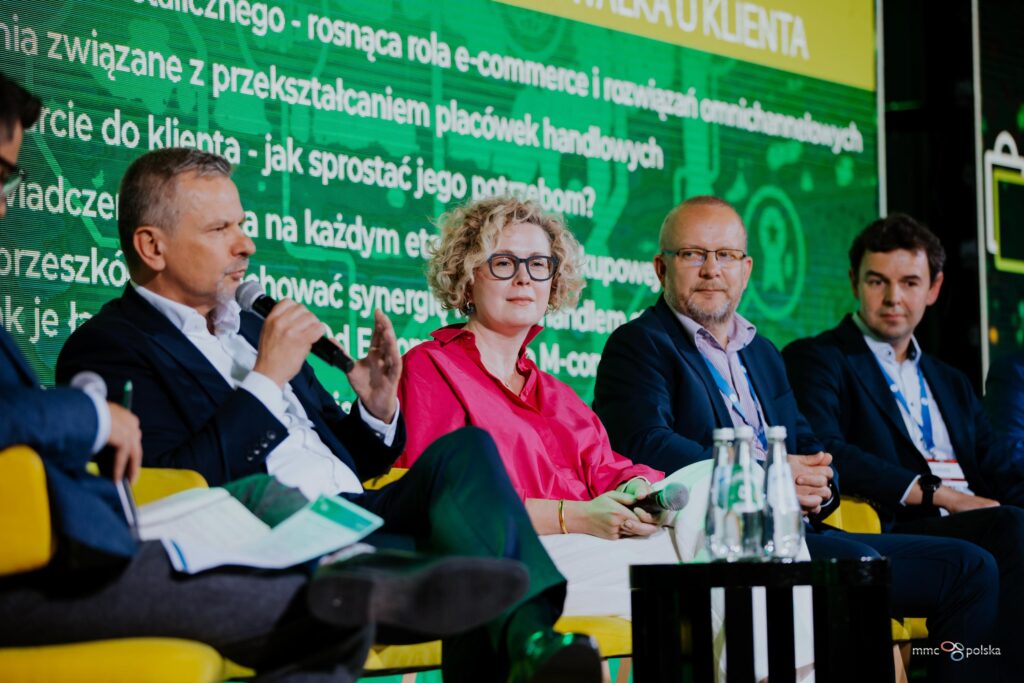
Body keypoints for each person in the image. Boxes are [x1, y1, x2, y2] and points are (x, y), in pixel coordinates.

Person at [55, 146, 600, 683]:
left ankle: (529, 639)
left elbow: (351, 457)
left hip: (357, 511)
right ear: (152, 246)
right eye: (220, 229)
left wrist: (377, 407)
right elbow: (174, 488)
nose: (245, 245)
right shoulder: (111, 346)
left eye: (242, 225)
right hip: (274, 528)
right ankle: (529, 645)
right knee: (480, 560)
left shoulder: (254, 329)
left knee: (467, 452)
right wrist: (266, 379)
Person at [594, 196, 1000, 681]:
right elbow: (644, 444)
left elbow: (809, 447)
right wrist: (764, 477)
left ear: (746, 269)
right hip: (725, 544)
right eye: (692, 254)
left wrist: (819, 488)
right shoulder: (639, 344)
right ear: (661, 267)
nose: (711, 269)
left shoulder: (762, 352)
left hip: (802, 533)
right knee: (861, 569)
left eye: (725, 255)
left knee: (972, 569)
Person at [394, 197, 711, 621]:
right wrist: (576, 517)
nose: (524, 277)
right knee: (707, 572)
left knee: (711, 489)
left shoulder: (560, 397)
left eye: (538, 264)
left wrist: (638, 491)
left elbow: (609, 469)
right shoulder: (430, 369)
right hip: (505, 558)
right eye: (503, 263)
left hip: (588, 553)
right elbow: (442, 503)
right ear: (467, 278)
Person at [783, 213, 1024, 672]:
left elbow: (997, 465)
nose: (894, 298)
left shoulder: (950, 381)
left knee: (1013, 522)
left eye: (910, 282)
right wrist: (941, 494)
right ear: (854, 282)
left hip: (980, 521)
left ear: (933, 288)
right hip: (901, 526)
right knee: (1010, 528)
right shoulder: (819, 359)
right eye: (878, 281)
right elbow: (828, 449)